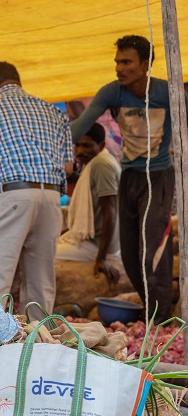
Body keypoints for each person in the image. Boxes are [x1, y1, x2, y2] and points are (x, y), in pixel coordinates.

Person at [70, 35, 177, 320]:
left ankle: (162, 318)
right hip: (130, 176)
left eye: (126, 62)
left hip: (159, 176)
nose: (119, 67)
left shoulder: (168, 92)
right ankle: (150, 309)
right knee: (130, 254)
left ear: (145, 65)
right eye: (117, 61)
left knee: (152, 247)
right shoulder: (113, 92)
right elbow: (79, 128)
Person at [0, 62, 73, 313]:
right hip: (50, 198)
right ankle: (38, 342)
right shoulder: (53, 111)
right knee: (41, 282)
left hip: (11, 195)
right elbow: (68, 167)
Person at [56, 123, 121, 281]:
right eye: (77, 145)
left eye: (86, 145)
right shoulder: (94, 162)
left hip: (96, 245)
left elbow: (110, 212)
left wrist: (101, 259)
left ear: (102, 145)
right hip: (92, 241)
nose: (79, 151)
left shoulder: (101, 164)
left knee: (40, 255)